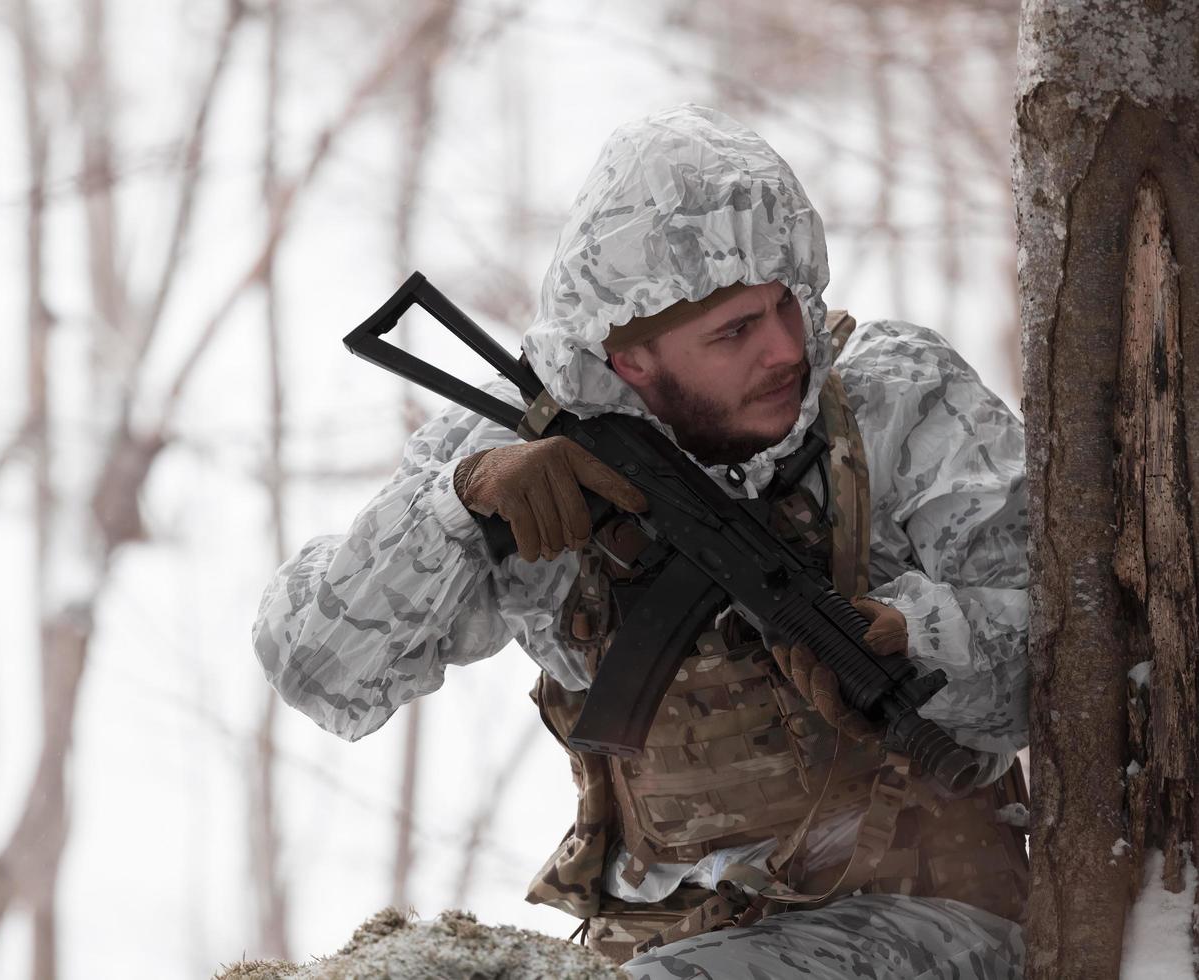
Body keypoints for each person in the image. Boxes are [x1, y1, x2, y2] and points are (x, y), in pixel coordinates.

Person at [252, 104, 1029, 978]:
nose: (784, 347)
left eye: (785, 304)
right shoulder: (523, 442)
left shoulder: (902, 405)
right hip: (653, 947)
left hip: (930, 919)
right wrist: (454, 510)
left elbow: (1082, 663)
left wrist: (918, 641)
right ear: (630, 359)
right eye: (733, 331)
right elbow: (314, 671)